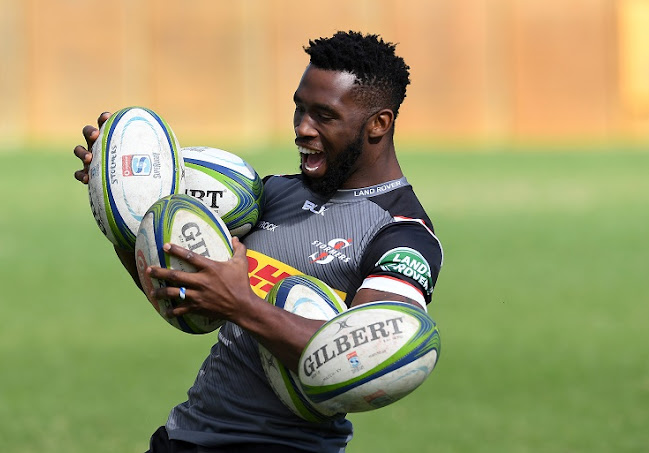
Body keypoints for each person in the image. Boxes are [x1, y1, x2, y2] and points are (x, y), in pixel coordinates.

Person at [73, 30, 443, 453]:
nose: (302, 128)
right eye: (299, 109)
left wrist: (241, 305)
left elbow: (370, 358)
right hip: (185, 437)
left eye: (324, 115)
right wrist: (121, 210)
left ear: (379, 123)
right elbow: (179, 295)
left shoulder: (402, 235)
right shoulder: (273, 194)